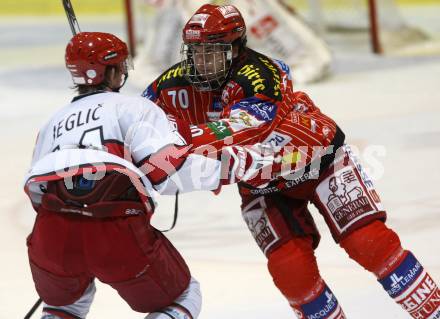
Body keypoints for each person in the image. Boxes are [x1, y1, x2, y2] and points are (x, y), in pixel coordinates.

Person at [142, 4, 440, 318]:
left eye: (211, 51)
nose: (200, 61)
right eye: (194, 51)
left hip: (318, 160)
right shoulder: (173, 83)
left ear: (236, 48)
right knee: (292, 273)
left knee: (370, 244)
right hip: (263, 184)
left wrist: (179, 141)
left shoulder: (261, 74)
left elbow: (244, 130)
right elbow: (138, 118)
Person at [24, 31, 278, 319]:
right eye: (120, 64)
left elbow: (38, 190)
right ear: (113, 70)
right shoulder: (136, 108)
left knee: (64, 305)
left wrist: (70, 233)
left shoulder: (50, 124)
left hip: (52, 232)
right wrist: (234, 165)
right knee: (182, 297)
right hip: (116, 230)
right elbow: (168, 172)